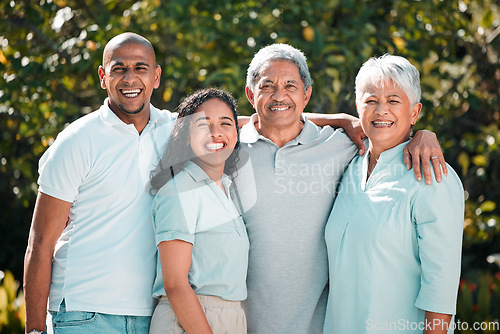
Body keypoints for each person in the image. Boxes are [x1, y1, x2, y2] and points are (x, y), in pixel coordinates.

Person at [231, 43, 448, 334]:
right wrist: (339, 118)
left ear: (306, 94)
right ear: (250, 94)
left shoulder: (340, 147)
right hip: (238, 324)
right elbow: (196, 123)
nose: (279, 95)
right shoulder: (225, 149)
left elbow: (441, 282)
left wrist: (422, 134)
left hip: (317, 326)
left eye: (290, 85)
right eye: (267, 86)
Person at [23, 32, 175, 334]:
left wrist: (296, 119)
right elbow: (40, 243)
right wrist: (35, 329)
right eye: (119, 69)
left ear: (156, 76)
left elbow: (231, 123)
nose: (130, 79)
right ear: (103, 76)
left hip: (154, 315)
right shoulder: (76, 141)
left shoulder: (173, 130)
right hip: (84, 314)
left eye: (140, 68)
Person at [323, 54, 464, 333]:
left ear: (414, 112)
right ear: (357, 107)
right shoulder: (348, 164)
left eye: (393, 101)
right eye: (371, 100)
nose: (381, 110)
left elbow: (441, 286)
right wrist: (338, 119)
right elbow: (273, 120)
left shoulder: (432, 176)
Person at [148, 88, 248, 334]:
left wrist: (341, 119)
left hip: (231, 317)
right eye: (204, 124)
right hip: (189, 320)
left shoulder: (226, 188)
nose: (216, 132)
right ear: (185, 135)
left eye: (225, 123)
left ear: (236, 132)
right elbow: (175, 284)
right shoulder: (179, 190)